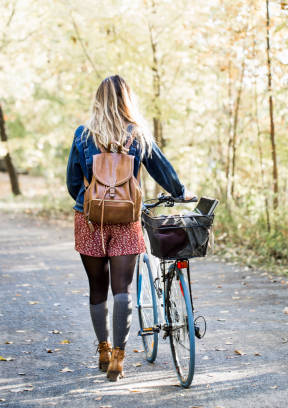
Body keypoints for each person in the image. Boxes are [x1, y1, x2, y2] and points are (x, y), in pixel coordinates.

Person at [66, 75, 194, 381]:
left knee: (97, 288)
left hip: (89, 220)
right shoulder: (137, 135)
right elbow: (162, 169)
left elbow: (72, 182)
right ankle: (119, 359)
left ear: (98, 99)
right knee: (121, 288)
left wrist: (89, 202)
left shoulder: (83, 134)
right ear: (126, 100)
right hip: (126, 220)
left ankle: (103, 349)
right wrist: (180, 193)